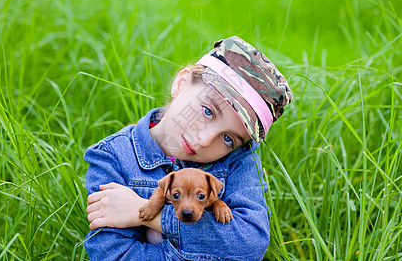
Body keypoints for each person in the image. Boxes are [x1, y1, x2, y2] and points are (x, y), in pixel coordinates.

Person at [84, 36, 292, 260]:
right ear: (182, 83)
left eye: (228, 139)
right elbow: (112, 254)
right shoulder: (112, 156)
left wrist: (149, 215)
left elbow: (250, 243)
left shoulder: (238, 162)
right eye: (208, 111)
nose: (204, 140)